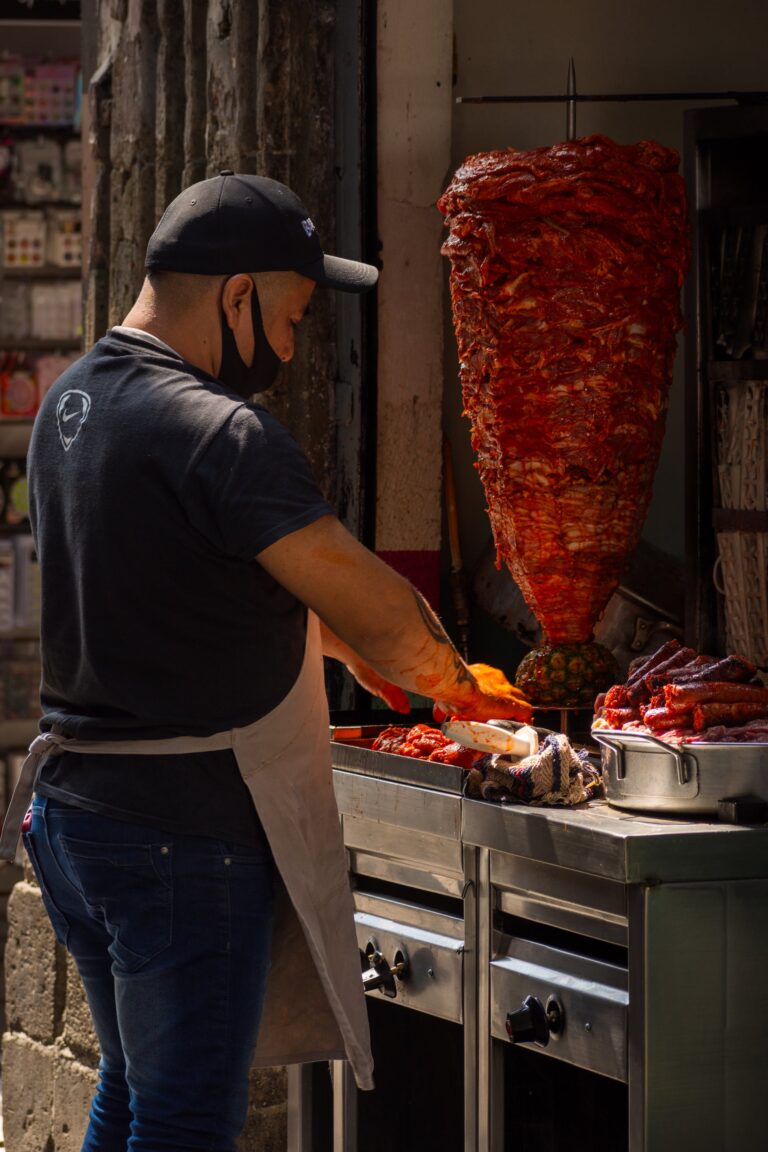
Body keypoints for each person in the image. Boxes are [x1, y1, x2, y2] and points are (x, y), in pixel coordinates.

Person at [7, 171, 530, 1152]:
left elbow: (215, 578)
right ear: (236, 295)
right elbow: (360, 592)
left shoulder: (72, 403)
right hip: (178, 831)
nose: (290, 352)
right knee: (184, 1121)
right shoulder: (223, 433)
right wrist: (464, 691)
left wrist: (357, 656)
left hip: (77, 816)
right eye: (289, 320)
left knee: (134, 1091)